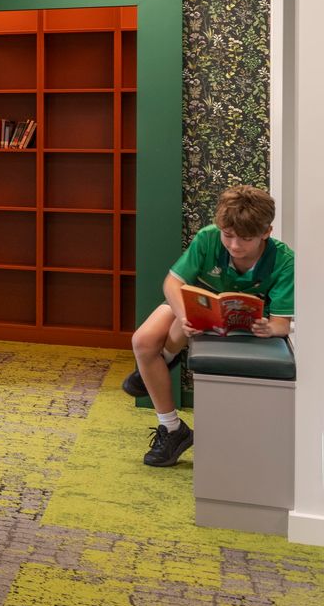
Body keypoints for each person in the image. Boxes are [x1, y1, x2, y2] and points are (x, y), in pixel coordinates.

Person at [124, 184, 294, 468]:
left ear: (266, 232)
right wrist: (184, 313)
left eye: (246, 239)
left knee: (173, 336)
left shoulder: (284, 261)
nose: (235, 246)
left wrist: (270, 328)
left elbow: (281, 324)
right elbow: (173, 283)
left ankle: (160, 362)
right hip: (197, 304)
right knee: (142, 340)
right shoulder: (208, 237)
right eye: (228, 236)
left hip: (244, 322)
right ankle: (173, 429)